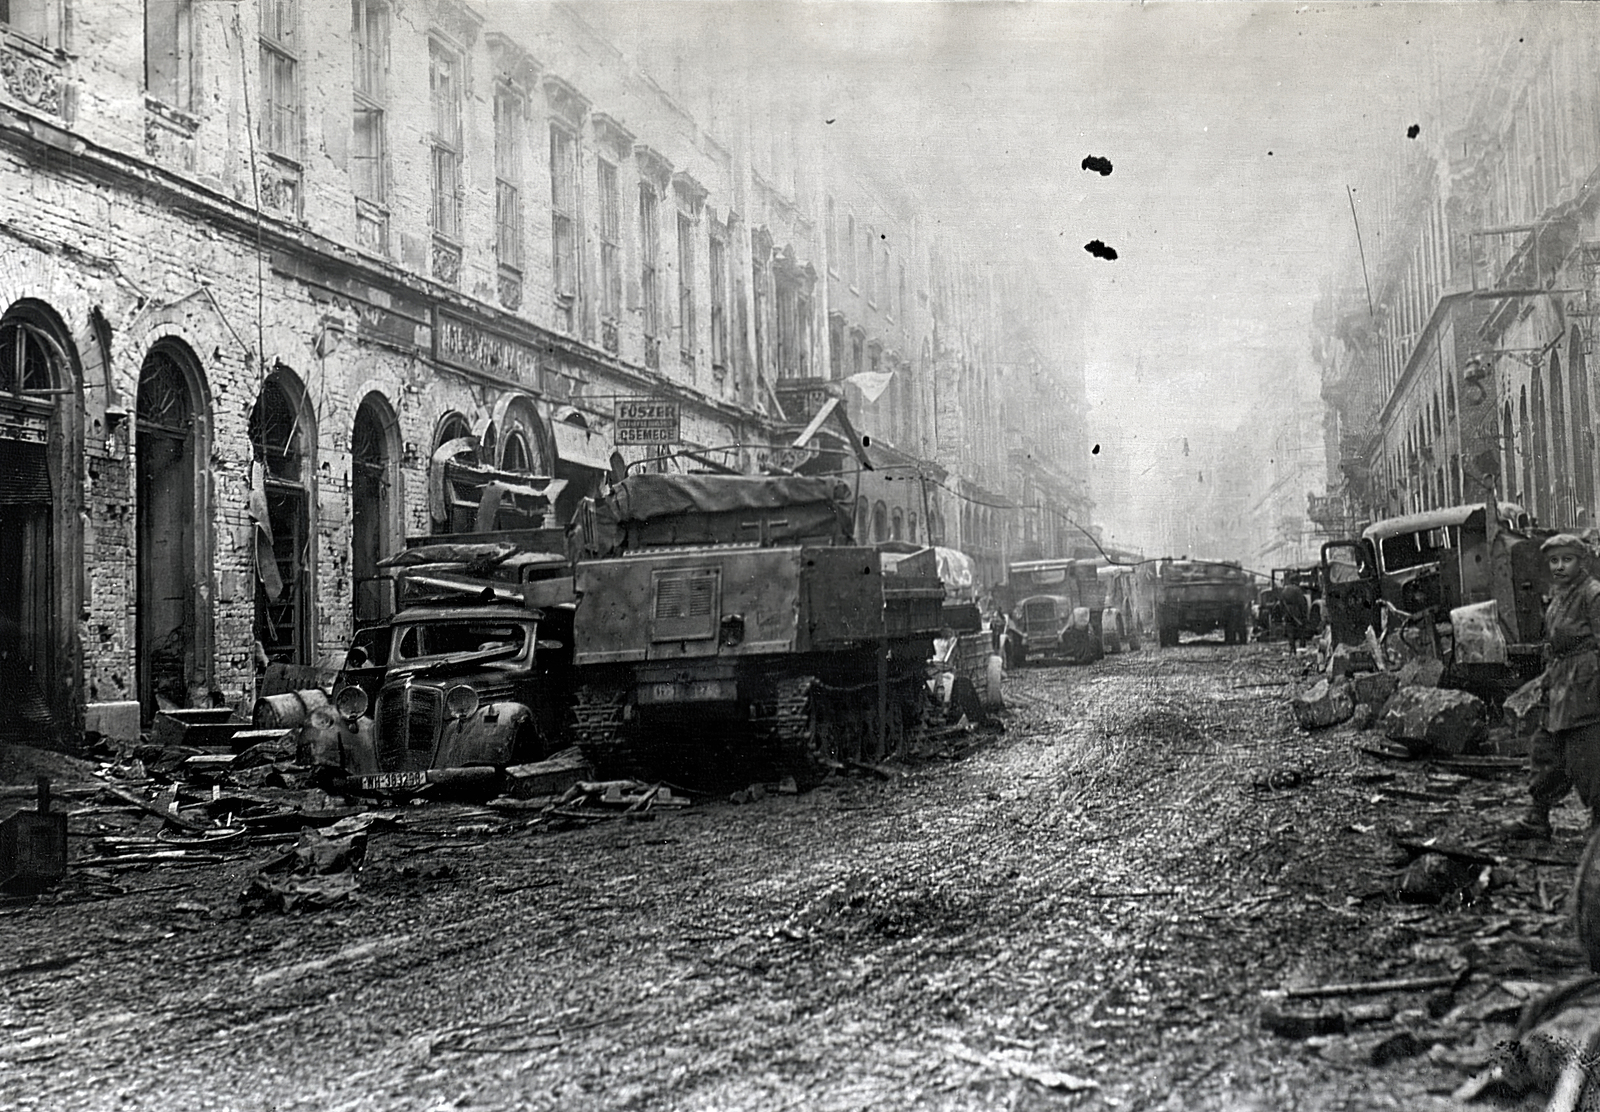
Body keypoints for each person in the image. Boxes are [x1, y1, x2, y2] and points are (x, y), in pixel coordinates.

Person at [1514, 534, 1600, 839]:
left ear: (1582, 561)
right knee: (1545, 747)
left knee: (1587, 753)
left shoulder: (1592, 594)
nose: (1560, 566)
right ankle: (1538, 816)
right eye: (1554, 560)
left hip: (1586, 684)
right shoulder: (1560, 595)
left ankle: (1598, 826)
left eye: (1567, 559)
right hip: (1560, 680)